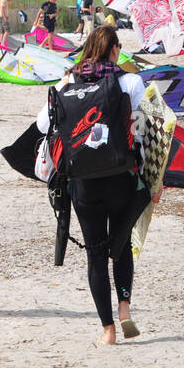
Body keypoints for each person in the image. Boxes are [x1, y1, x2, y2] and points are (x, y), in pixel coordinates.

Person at [41, 26, 154, 345]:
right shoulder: (130, 82)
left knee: (95, 254)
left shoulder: (66, 80)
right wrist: (149, 176)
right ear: (115, 50)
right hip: (120, 176)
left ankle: (108, 331)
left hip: (83, 180)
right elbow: (143, 130)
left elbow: (43, 124)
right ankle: (125, 307)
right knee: (121, 244)